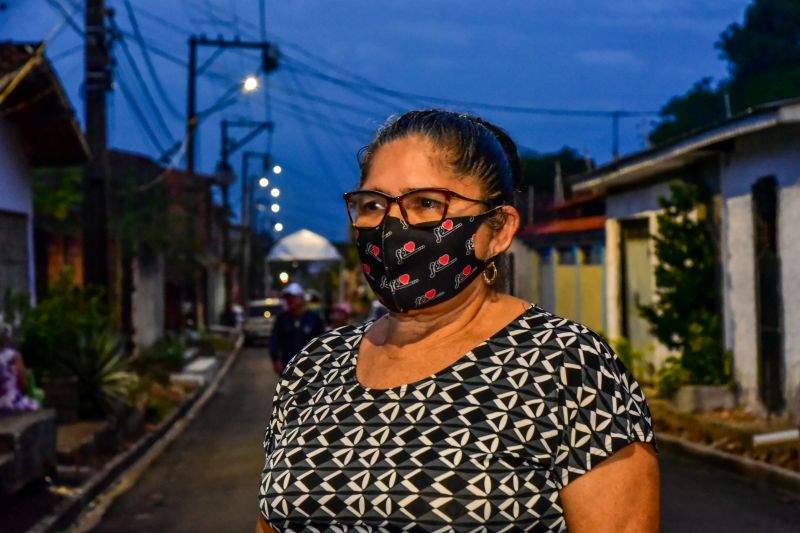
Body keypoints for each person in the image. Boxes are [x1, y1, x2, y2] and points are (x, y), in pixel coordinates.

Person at [257, 110, 659, 532]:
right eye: (373, 205)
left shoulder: (566, 367)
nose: (393, 227)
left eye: (426, 204)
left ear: (498, 230)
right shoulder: (314, 367)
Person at [268, 283, 325, 375]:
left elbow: (322, 342)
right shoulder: (282, 319)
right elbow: (274, 341)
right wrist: (275, 360)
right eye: (288, 298)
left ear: (301, 298)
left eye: (293, 297)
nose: (290, 300)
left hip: (310, 368)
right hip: (287, 367)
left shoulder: (314, 319)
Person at [0, 325, 39, 413]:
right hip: (11, 403)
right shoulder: (15, 356)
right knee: (34, 403)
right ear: (8, 340)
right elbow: (23, 382)